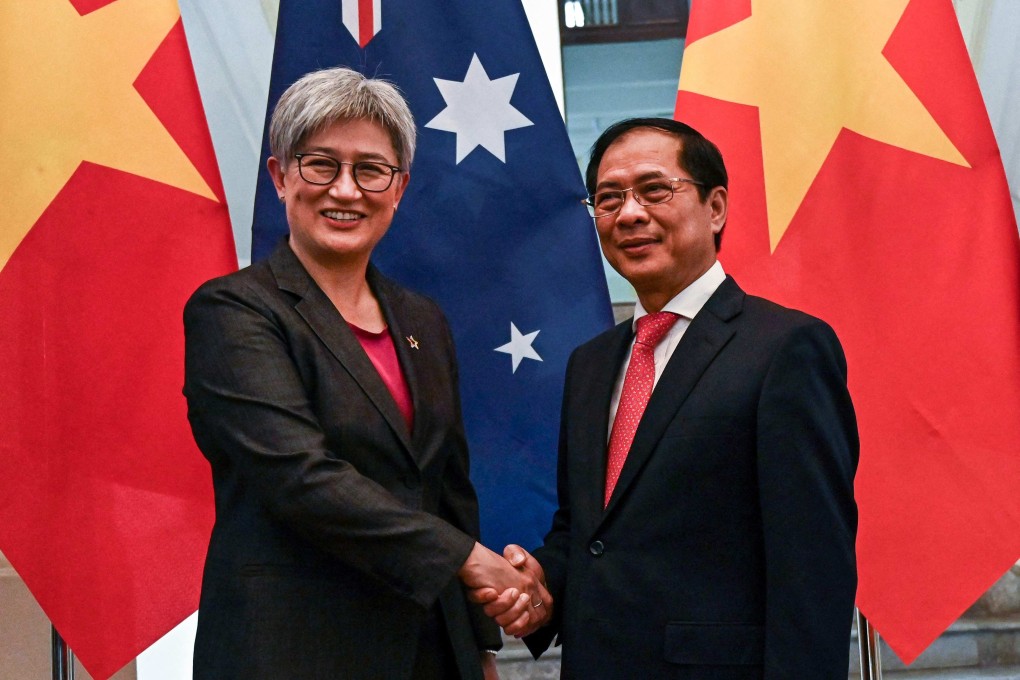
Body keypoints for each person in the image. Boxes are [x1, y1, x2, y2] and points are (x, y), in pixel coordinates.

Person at [183, 67, 547, 680]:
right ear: (279, 177)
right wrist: (466, 560)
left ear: (399, 187)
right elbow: (299, 476)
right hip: (292, 651)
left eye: (370, 169)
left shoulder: (422, 319)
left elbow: (448, 488)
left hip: (429, 650)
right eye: (320, 164)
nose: (346, 190)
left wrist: (479, 643)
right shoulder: (235, 310)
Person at [476, 118, 859, 678]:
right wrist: (541, 586)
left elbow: (812, 569)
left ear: (716, 207)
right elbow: (587, 531)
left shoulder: (786, 349)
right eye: (608, 200)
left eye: (655, 190)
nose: (629, 213)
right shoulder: (591, 363)